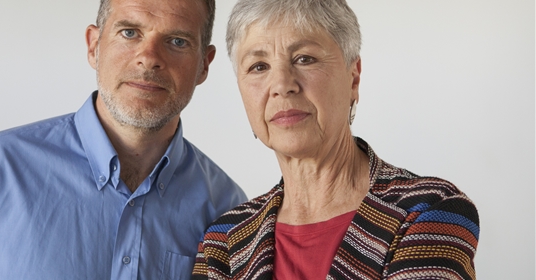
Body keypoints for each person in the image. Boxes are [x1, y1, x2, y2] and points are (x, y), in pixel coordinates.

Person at [0, 0, 247, 279]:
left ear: (204, 65)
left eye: (177, 41)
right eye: (129, 33)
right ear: (93, 45)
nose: (149, 58)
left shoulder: (227, 208)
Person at [192, 0, 479, 279]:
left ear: (353, 78)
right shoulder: (223, 241)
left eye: (304, 59)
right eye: (258, 66)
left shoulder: (431, 209)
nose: (281, 85)